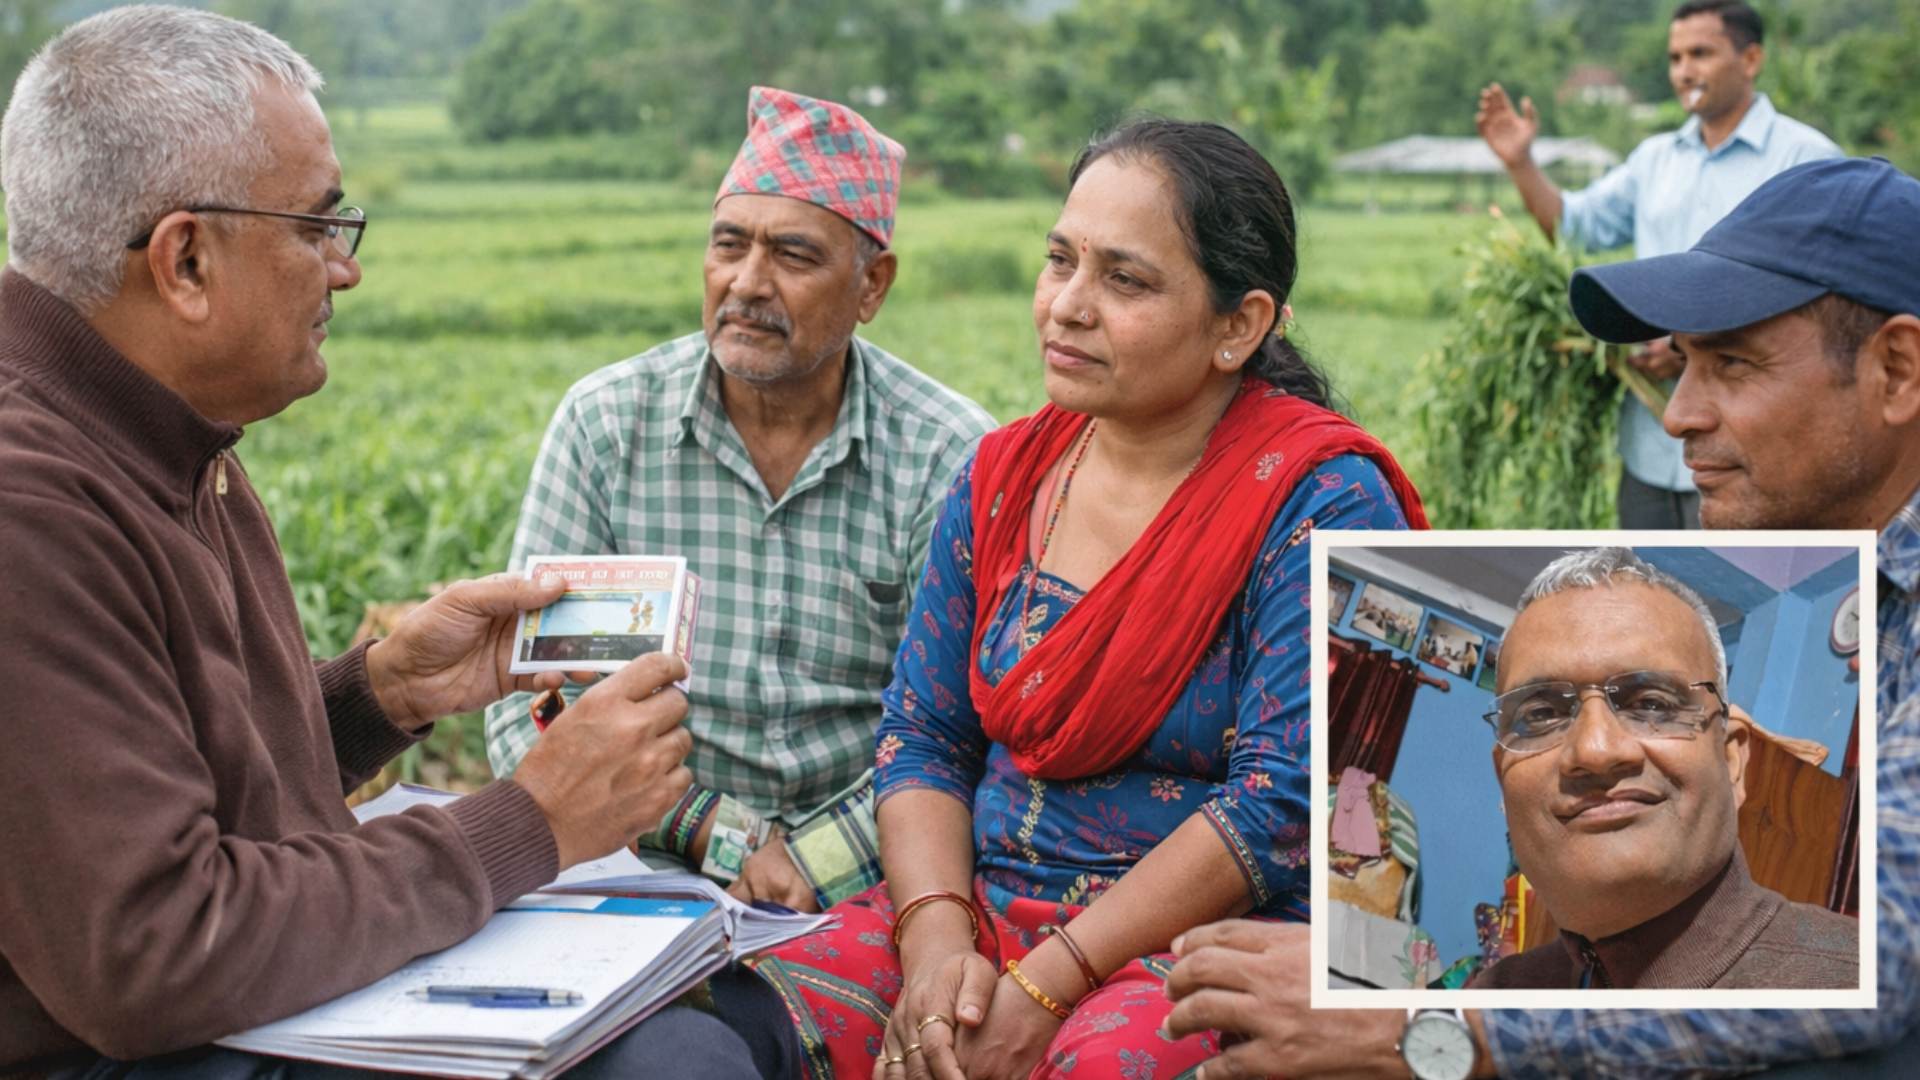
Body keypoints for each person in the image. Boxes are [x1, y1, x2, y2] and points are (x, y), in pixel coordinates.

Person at [0, 8, 786, 1077]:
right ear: (185, 261)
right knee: (679, 1064)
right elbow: (151, 952)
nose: (344, 270)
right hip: (133, 1047)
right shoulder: (31, 506)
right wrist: (532, 820)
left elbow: (177, 777)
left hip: (217, 1011)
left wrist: (383, 693)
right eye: (318, 229)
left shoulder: (171, 433)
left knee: (731, 1016)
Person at [1162, 157, 1920, 1077]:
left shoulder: (1811, 968)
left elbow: (1895, 952)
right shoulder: (1511, 981)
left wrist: (1419, 1037)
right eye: (1540, 715)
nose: (1679, 415)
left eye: (1734, 365)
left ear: (1897, 369)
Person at [744, 118, 1428, 1080]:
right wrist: (937, 947)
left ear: (1240, 325)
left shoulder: (1317, 498)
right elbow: (925, 734)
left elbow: (1280, 807)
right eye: (1059, 261)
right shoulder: (1003, 476)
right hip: (981, 907)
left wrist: (1047, 984)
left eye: (1125, 279)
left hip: (1202, 935)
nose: (1067, 306)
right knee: (733, 1014)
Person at [485, 86, 994, 913]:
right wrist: (710, 832)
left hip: (881, 880)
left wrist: (815, 862)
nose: (748, 283)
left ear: (872, 287)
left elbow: (972, 732)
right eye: (729, 246)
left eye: (793, 257)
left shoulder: (948, 454)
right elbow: (533, 703)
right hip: (644, 864)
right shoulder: (610, 426)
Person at [1474, 0, 1839, 529]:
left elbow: (1821, 302)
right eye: (1674, 57)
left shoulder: (1805, 159)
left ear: (1751, 58)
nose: (1684, 70)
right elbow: (1575, 226)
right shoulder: (1655, 160)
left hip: (1752, 445)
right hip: (1651, 442)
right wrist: (1521, 164)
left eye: (1701, 53)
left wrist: (1687, 343)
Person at [1470, 548, 1855, 990]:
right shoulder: (1491, 998)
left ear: (1732, 761)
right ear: (1503, 781)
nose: (1595, 750)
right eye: (1541, 714)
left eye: (1652, 703)